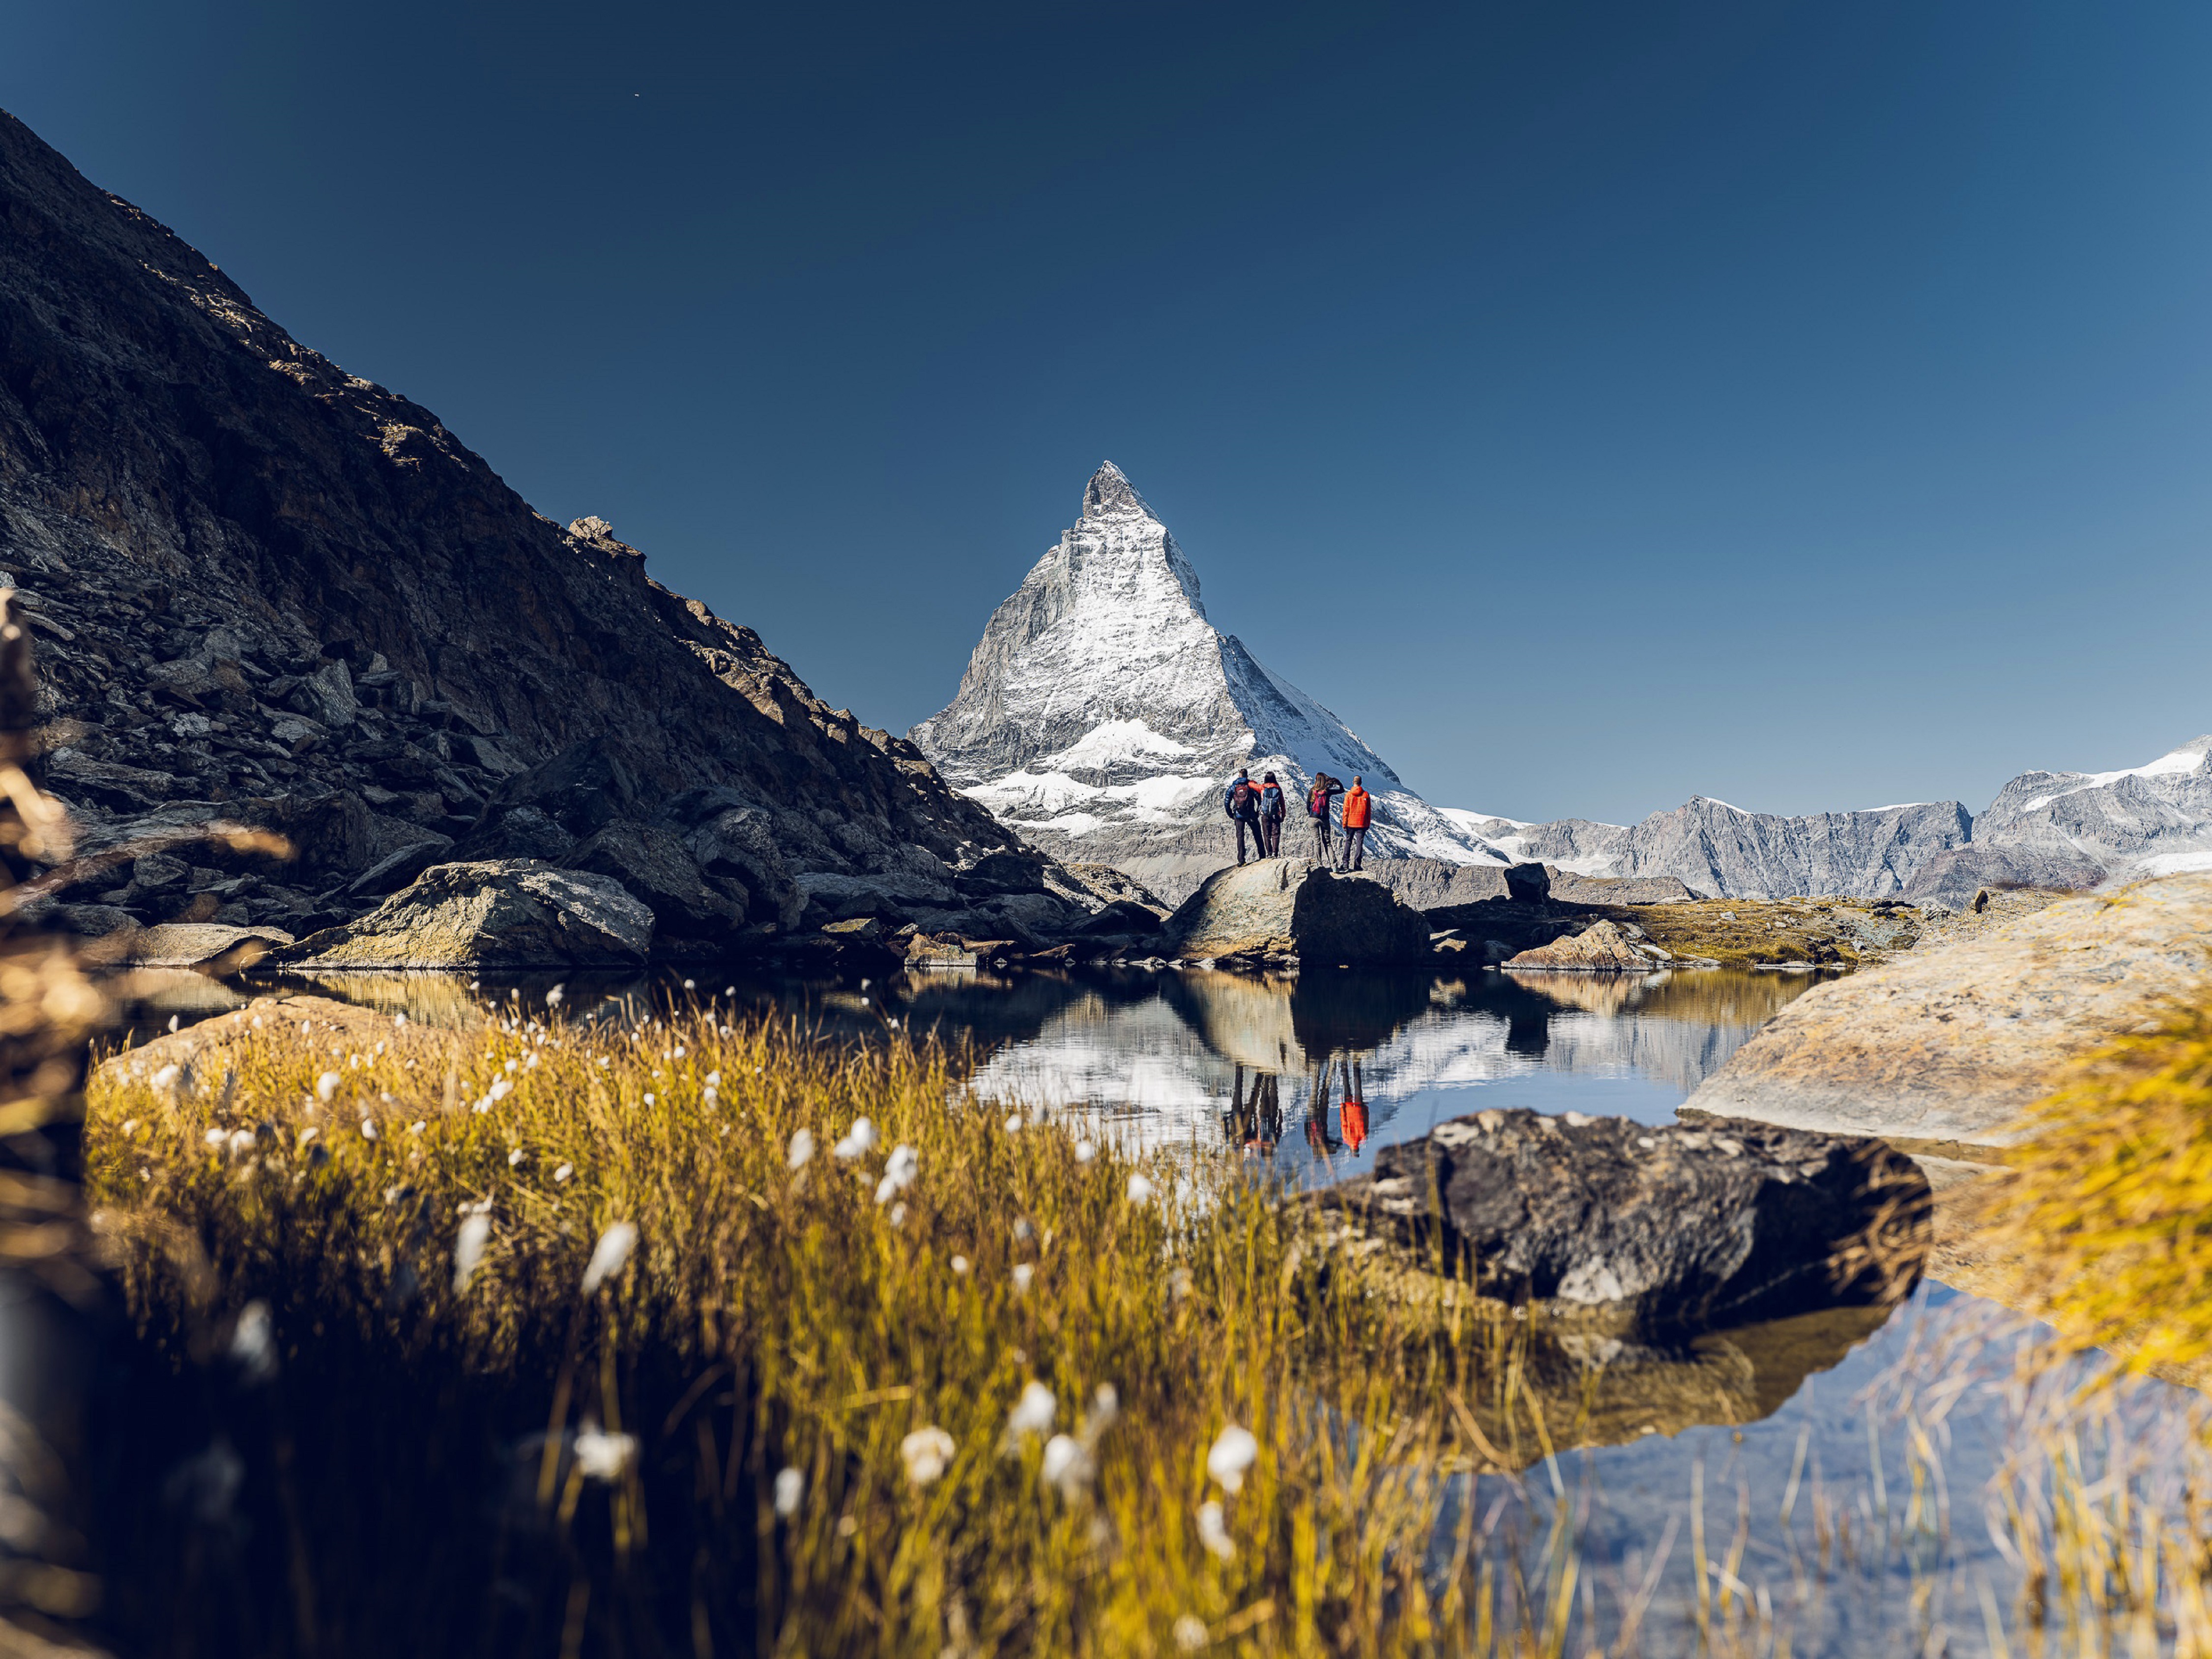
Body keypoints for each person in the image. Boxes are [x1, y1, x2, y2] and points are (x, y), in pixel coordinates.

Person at [1223, 767, 1263, 865]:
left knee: (1240, 837)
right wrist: (1257, 812)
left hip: (1238, 815)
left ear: (1239, 776)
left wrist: (1231, 815)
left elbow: (1227, 802)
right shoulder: (1250, 786)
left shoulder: (1233, 787)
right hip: (1251, 815)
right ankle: (1263, 856)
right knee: (1258, 834)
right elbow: (1259, 799)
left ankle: (1241, 860)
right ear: (1247, 776)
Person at [1307, 772, 1342, 866]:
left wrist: (1311, 815)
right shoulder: (1328, 792)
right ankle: (1334, 865)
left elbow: (1308, 805)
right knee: (1327, 843)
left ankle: (1319, 864)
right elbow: (1341, 790)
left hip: (1313, 819)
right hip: (1325, 819)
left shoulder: (1312, 791)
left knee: (1316, 842)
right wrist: (1337, 782)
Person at [1340, 775, 1372, 872]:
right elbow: (1368, 812)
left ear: (1353, 782)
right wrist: (1367, 824)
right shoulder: (1366, 795)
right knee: (1359, 844)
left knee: (1348, 842)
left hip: (1351, 823)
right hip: (1362, 823)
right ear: (1361, 783)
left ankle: (1345, 864)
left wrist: (1344, 824)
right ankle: (1357, 865)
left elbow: (1346, 810)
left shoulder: (1349, 795)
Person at [1258, 772, 1286, 858]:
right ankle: (1275, 853)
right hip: (1276, 814)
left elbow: (1252, 785)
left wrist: (1245, 780)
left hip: (1265, 814)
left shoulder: (1262, 788)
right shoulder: (1278, 789)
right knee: (1276, 834)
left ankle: (1269, 853)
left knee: (1267, 834)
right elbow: (1282, 803)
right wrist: (1283, 815)